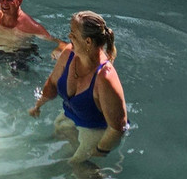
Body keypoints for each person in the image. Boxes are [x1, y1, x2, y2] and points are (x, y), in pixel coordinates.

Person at [28, 11, 128, 164]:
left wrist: (100, 150)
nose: (69, 37)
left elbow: (117, 128)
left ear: (88, 41)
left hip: (96, 130)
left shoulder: (105, 78)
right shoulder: (69, 52)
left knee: (74, 165)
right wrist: (38, 105)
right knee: (56, 143)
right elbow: (53, 83)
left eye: (73, 33)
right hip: (71, 116)